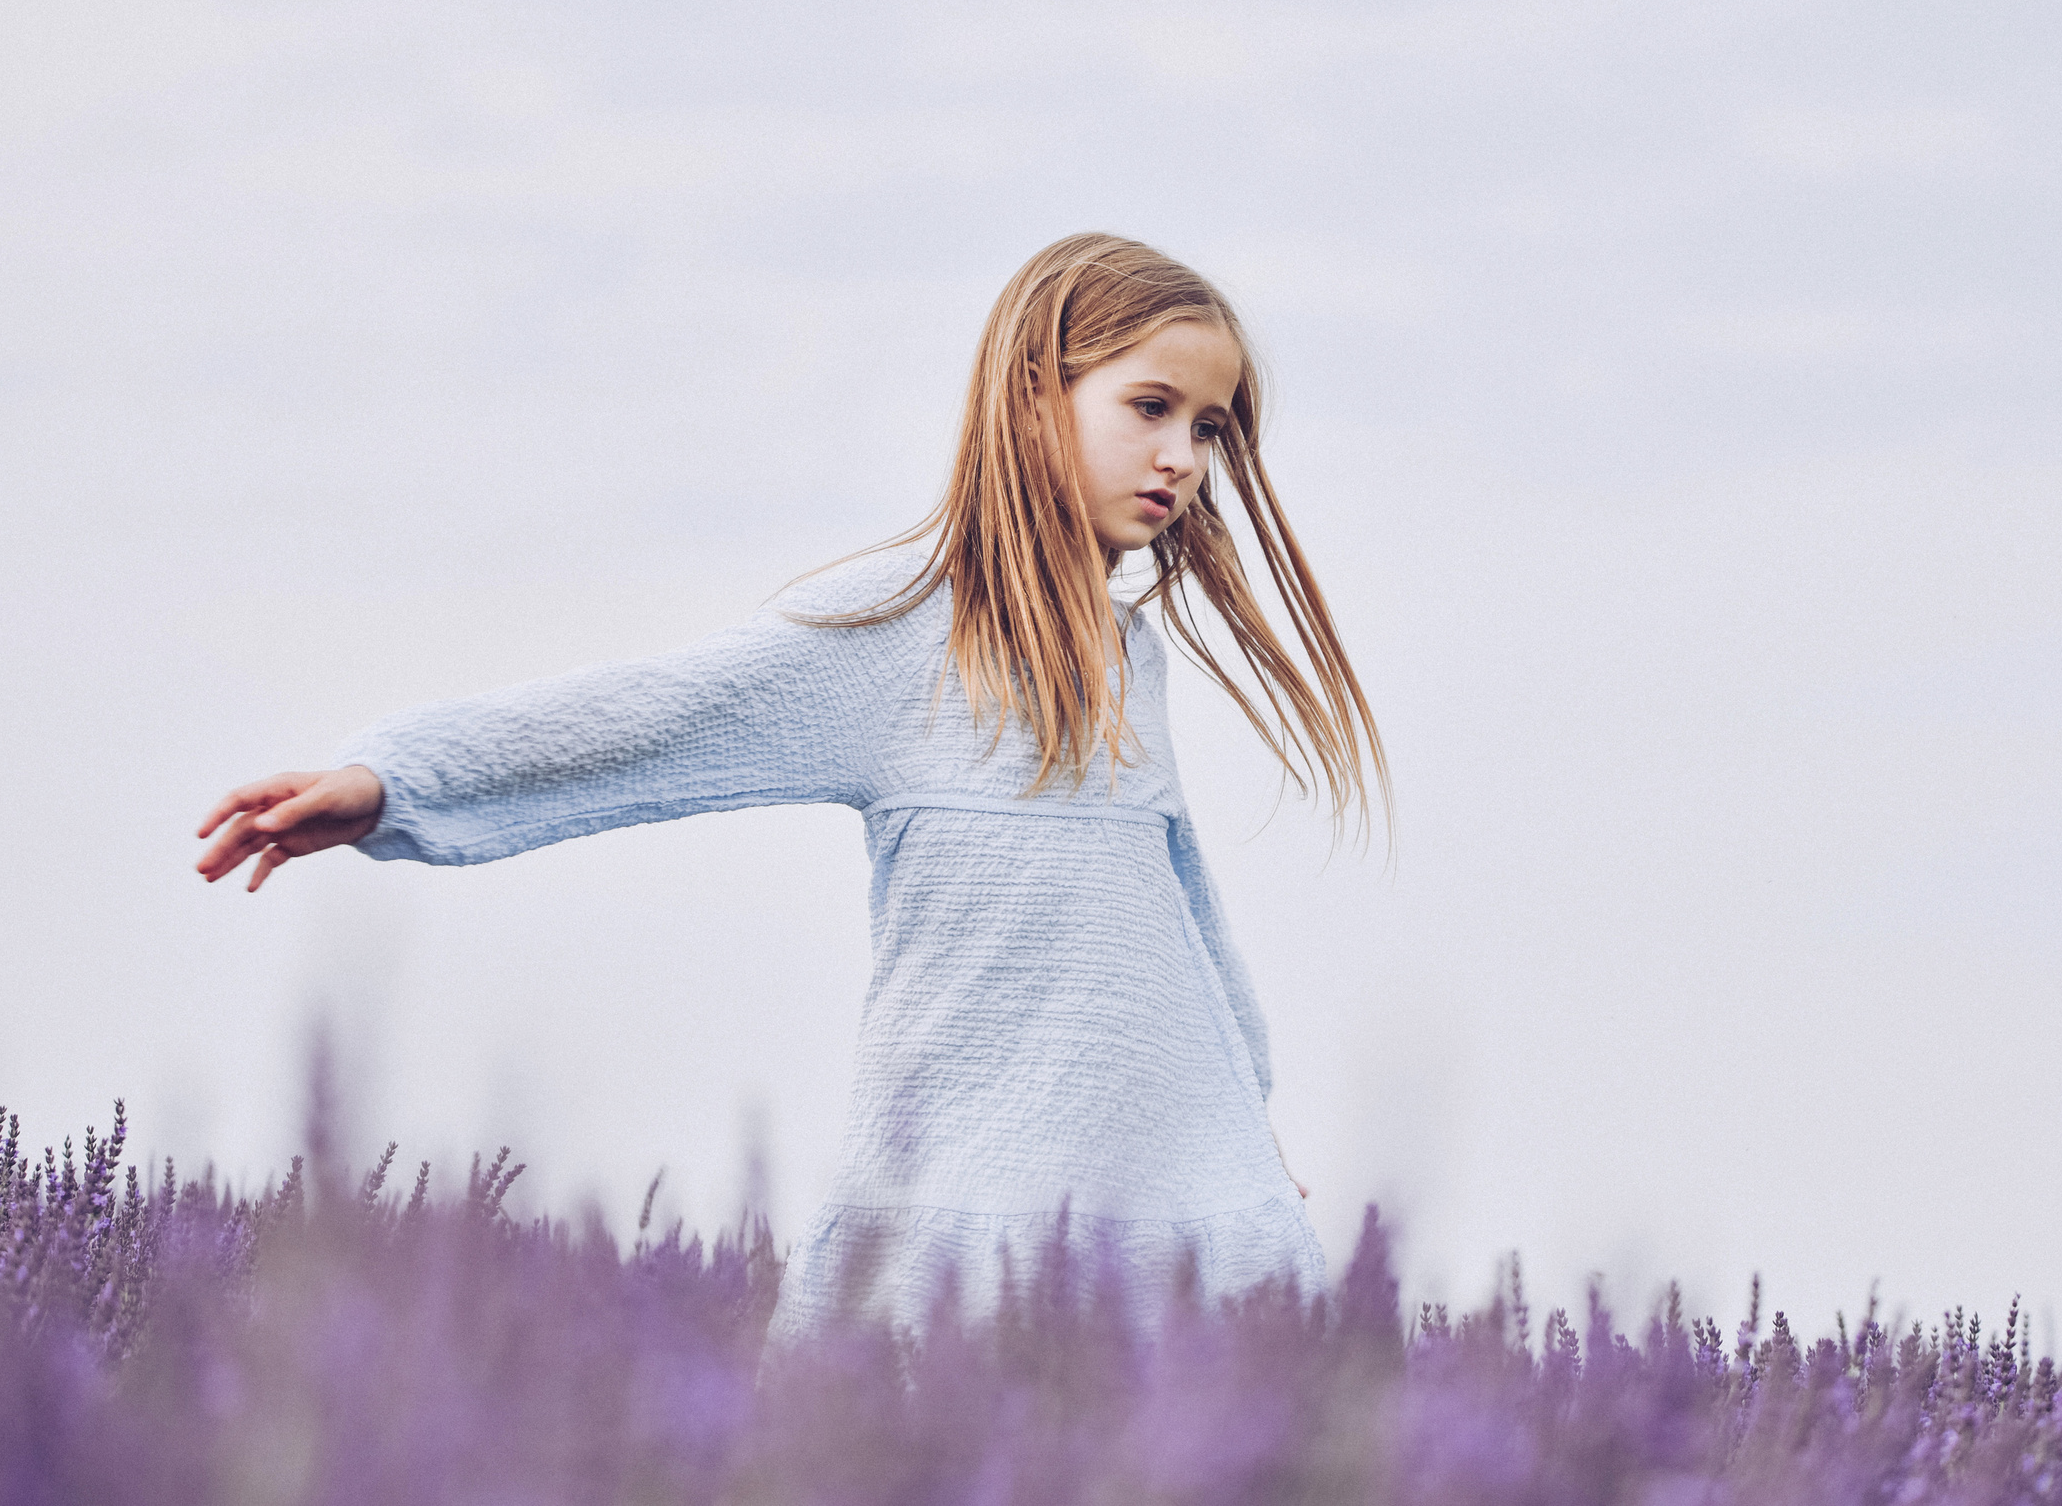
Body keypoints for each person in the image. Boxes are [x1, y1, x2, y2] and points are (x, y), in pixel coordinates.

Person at [194, 232, 1387, 1332]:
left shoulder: (1135, 662)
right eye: (1150, 406)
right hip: (960, 1217)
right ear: (1033, 394)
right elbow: (645, 718)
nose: (1183, 455)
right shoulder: (894, 638)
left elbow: (1178, 919)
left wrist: (1243, 1122)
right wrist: (397, 779)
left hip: (1171, 1213)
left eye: (1213, 427)